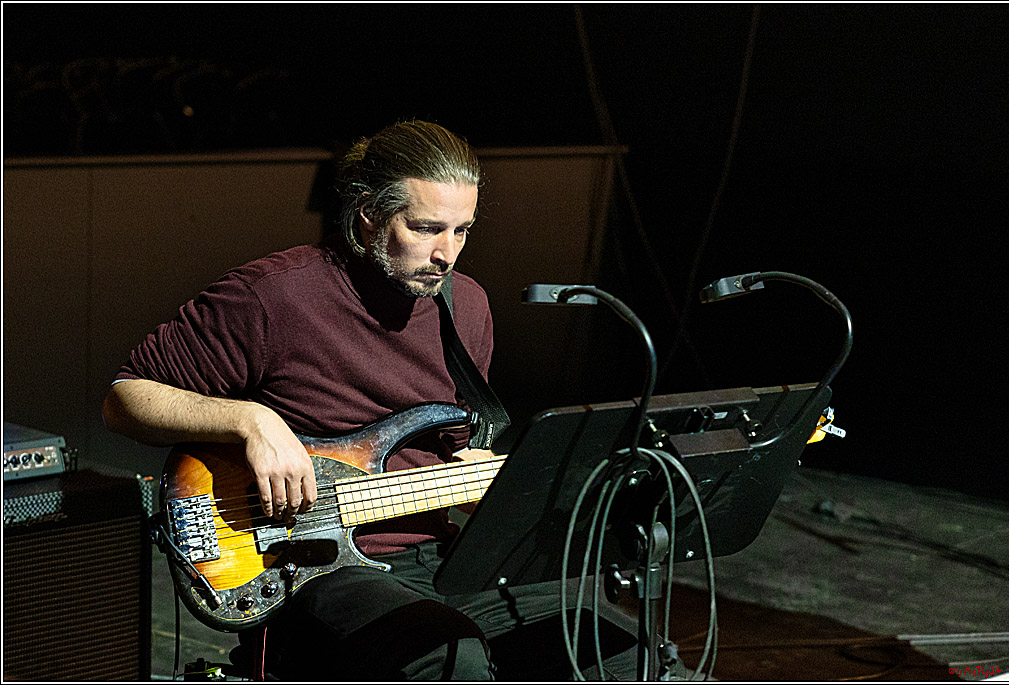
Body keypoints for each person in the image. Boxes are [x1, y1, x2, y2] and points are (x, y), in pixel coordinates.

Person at [103, 120, 638, 680]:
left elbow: (453, 450)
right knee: (453, 659)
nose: (446, 253)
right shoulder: (273, 296)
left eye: (462, 231)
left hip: (437, 559)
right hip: (311, 562)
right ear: (367, 215)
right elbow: (125, 399)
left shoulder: (468, 307)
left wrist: (488, 486)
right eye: (427, 228)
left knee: (617, 651)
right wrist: (249, 420)